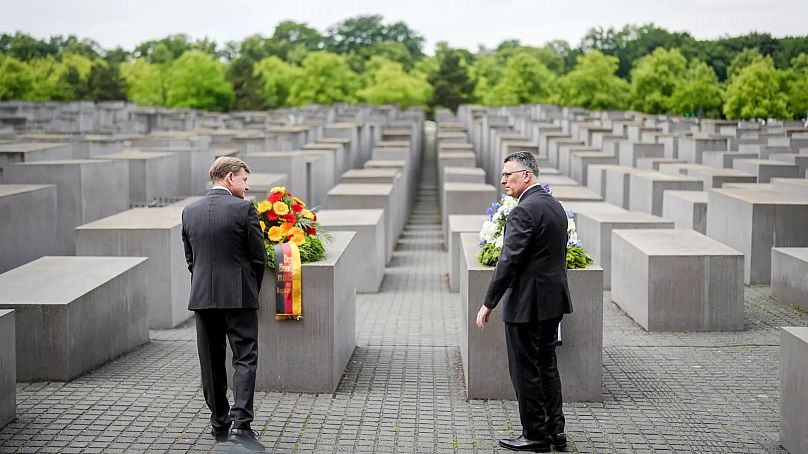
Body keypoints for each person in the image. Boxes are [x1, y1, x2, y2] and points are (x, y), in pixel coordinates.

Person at [476, 151, 572, 453]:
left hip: (527, 306)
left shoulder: (523, 211)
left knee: (525, 370)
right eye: (503, 175)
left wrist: (488, 302)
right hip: (552, 302)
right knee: (547, 366)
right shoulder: (555, 206)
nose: (503, 180)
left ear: (526, 175)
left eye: (509, 174)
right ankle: (556, 432)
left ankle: (535, 435)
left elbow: (509, 262)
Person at [181, 157, 267, 447]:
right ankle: (241, 426)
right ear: (230, 177)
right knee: (244, 357)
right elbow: (258, 257)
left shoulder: (189, 211)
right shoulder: (244, 209)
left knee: (211, 361)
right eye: (244, 179)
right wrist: (250, 287)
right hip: (239, 296)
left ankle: (220, 423)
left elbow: (191, 259)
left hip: (203, 297)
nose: (247, 185)